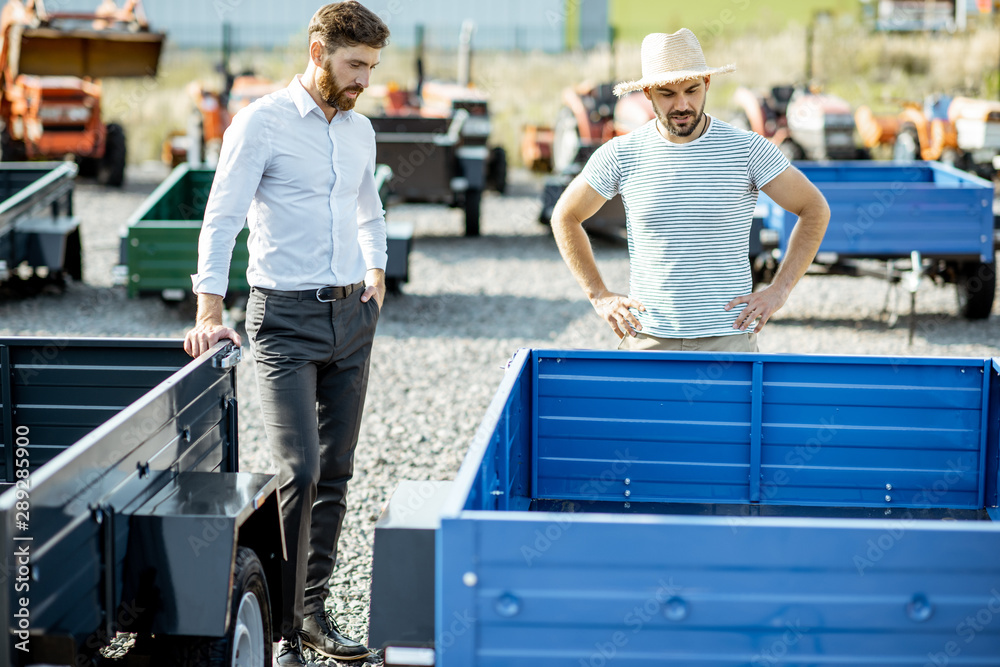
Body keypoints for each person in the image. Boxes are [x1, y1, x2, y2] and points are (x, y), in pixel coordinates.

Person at [183, 3, 389, 664]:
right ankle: (282, 630)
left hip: (351, 319)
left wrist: (377, 270)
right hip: (283, 324)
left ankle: (313, 615)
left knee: (337, 469)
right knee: (298, 468)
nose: (364, 80)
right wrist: (208, 311)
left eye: (371, 67)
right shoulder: (261, 123)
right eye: (355, 64)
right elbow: (222, 218)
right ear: (318, 49)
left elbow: (369, 205)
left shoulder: (360, 131)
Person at [551, 29, 830, 352]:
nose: (682, 104)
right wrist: (599, 295)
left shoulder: (747, 149)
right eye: (667, 93)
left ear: (707, 84)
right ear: (647, 93)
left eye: (692, 90)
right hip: (647, 339)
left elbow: (814, 209)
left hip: (728, 342)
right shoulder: (621, 154)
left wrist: (779, 290)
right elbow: (565, 216)